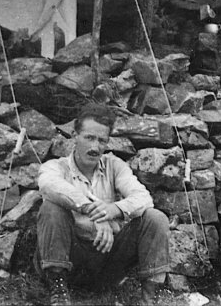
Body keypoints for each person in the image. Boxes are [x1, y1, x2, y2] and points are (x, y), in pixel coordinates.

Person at [36, 103, 170, 306]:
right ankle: (59, 292)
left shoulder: (114, 165)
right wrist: (93, 212)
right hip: (71, 256)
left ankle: (150, 299)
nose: (95, 147)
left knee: (155, 218)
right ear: (75, 135)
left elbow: (143, 198)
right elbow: (48, 185)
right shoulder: (56, 167)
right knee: (51, 209)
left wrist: (113, 210)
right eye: (89, 138)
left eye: (101, 140)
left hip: (108, 260)